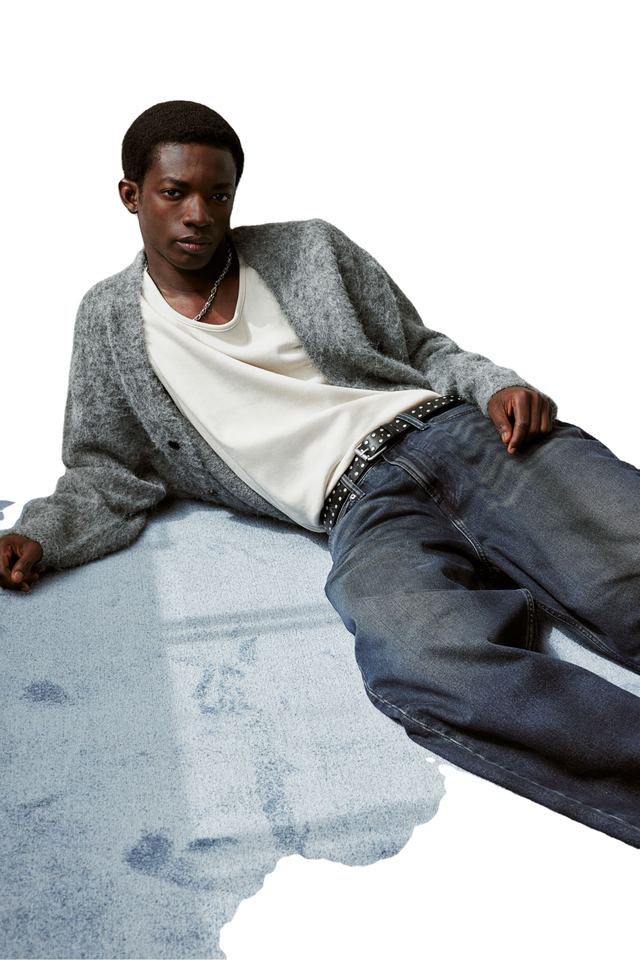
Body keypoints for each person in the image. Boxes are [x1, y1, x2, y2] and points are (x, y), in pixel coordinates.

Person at [1, 100, 639, 848]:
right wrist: (42, 535)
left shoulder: (310, 249)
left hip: (460, 437)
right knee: (421, 665)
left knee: (625, 578)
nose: (199, 214)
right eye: (175, 193)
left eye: (218, 194)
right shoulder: (108, 321)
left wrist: (495, 384)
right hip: (361, 509)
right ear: (131, 195)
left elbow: (420, 347)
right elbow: (107, 465)